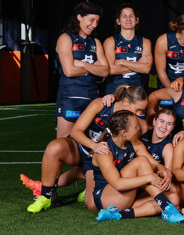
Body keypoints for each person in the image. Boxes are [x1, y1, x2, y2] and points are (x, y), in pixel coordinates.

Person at [23, 85, 149, 213]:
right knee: (54, 147)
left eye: (141, 111)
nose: (139, 114)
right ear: (126, 102)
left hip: (98, 160)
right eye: (138, 109)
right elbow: (76, 131)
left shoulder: (133, 122)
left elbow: (139, 134)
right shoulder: (101, 104)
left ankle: (81, 175)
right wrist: (94, 145)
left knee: (93, 205)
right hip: (81, 149)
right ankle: (46, 196)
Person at [93, 110, 184, 223]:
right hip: (108, 198)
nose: (139, 129)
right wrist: (149, 178)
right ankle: (166, 207)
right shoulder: (104, 151)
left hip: (128, 195)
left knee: (174, 198)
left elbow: (155, 164)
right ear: (124, 132)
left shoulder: (134, 143)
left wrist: (165, 170)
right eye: (136, 126)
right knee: (141, 161)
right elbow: (117, 184)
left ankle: (119, 214)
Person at [54, 1, 109, 138]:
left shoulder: (95, 42)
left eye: (97, 21)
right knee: (65, 140)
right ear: (79, 17)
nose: (94, 25)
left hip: (92, 97)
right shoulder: (65, 38)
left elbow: (105, 71)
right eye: (91, 20)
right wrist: (93, 67)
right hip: (70, 97)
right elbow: (69, 71)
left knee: (91, 139)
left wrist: (82, 64)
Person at [103, 3, 152, 95]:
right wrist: (138, 65)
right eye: (124, 16)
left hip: (137, 91)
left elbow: (146, 68)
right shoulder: (110, 41)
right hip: (115, 90)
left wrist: (122, 61)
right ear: (118, 21)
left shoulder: (145, 42)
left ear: (137, 20)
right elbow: (110, 70)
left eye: (131, 16)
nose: (128, 19)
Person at [139, 107, 180, 205]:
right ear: (154, 121)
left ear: (172, 127)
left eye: (169, 124)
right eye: (161, 121)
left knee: (174, 193)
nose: (164, 127)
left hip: (152, 185)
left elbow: (167, 178)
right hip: (138, 181)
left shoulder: (167, 147)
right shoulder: (143, 135)